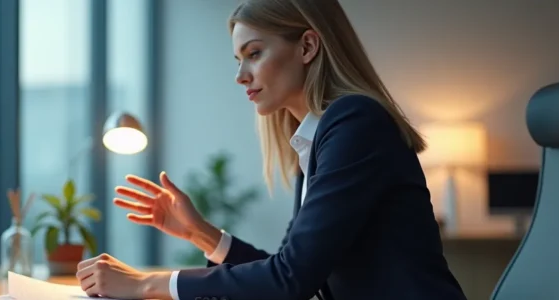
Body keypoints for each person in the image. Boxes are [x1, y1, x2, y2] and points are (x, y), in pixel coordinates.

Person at [75, 0, 467, 299]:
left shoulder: (356, 123)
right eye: (238, 58)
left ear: (308, 46)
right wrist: (201, 233)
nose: (240, 75)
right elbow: (292, 268)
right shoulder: (316, 138)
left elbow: (290, 281)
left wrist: (148, 284)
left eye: (254, 53)